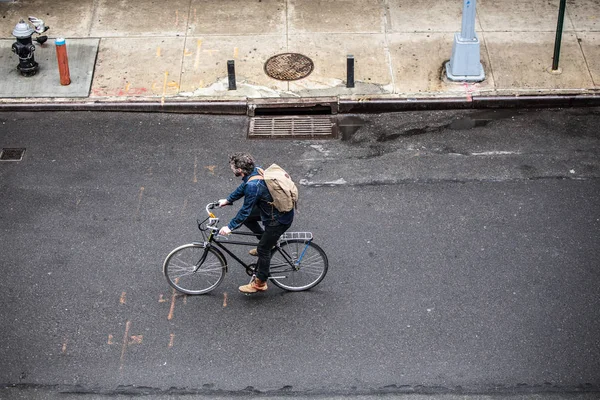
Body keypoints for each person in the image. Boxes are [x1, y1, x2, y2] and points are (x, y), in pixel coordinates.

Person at [218, 153, 294, 293]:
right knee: (250, 221)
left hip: (278, 219)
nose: (232, 169)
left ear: (239, 170)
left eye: (233, 167)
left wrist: (229, 227)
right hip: (273, 210)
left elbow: (245, 211)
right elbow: (243, 187)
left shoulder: (254, 185)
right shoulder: (256, 170)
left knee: (264, 250)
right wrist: (229, 200)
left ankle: (260, 283)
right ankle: (265, 242)